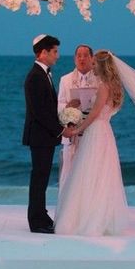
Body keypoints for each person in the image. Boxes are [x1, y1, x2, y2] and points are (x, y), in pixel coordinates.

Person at [55, 50, 128, 236]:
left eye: (95, 63)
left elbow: (94, 114)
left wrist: (78, 129)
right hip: (106, 132)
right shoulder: (114, 86)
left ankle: (89, 219)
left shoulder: (104, 87)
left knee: (89, 173)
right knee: (102, 175)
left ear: (102, 66)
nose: (91, 65)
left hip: (95, 132)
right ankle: (103, 216)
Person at [22, 34, 71, 234]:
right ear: (43, 53)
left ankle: (41, 215)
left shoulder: (43, 74)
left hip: (44, 137)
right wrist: (62, 129)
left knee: (41, 178)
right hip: (40, 137)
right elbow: (40, 112)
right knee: (39, 178)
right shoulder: (35, 77)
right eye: (55, 52)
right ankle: (36, 221)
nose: (57, 56)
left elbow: (48, 108)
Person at [57, 44, 99, 187]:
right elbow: (59, 103)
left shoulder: (99, 80)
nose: (82, 59)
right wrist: (69, 107)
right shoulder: (65, 79)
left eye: (85, 55)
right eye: (79, 56)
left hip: (91, 129)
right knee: (69, 170)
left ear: (92, 58)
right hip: (71, 130)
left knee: (91, 170)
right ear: (74, 59)